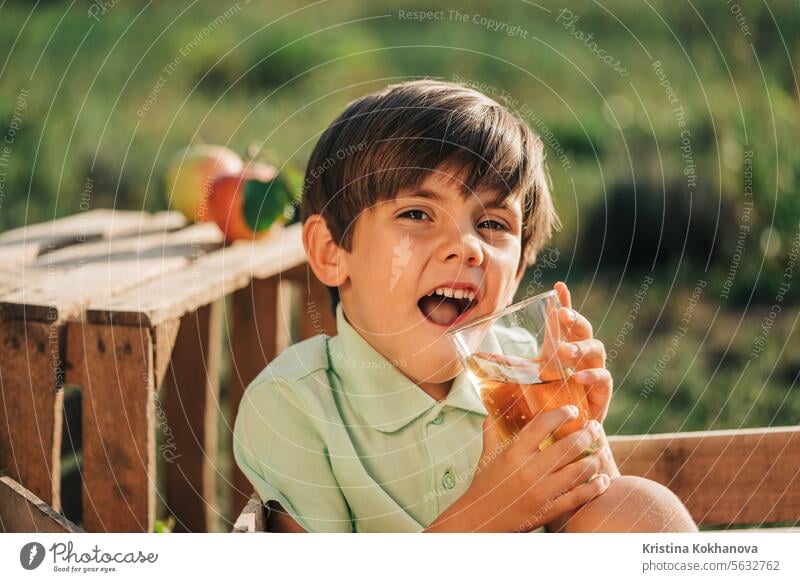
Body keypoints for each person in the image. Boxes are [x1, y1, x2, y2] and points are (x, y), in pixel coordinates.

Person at [233, 79, 697, 533]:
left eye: (492, 223)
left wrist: (580, 442)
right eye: (417, 213)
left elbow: (604, 527)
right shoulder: (294, 405)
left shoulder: (526, 375)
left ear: (516, 275)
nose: (467, 247)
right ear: (333, 252)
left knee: (642, 505)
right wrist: (488, 516)